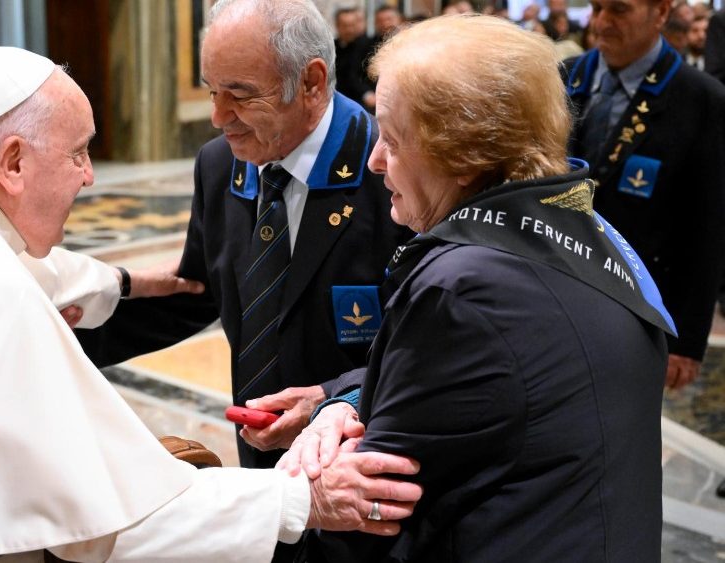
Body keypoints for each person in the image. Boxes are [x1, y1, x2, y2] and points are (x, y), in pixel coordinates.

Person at [0, 46, 425, 562]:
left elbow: (27, 263)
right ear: (14, 163)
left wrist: (124, 283)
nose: (92, 177)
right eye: (80, 154)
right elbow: (109, 523)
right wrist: (304, 499)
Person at [278, 14, 675, 561]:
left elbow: (374, 513)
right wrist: (341, 398)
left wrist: (294, 507)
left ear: (461, 155)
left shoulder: (459, 290)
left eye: (391, 139)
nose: (374, 161)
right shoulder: (588, 235)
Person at [77, 0, 414, 472]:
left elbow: (430, 347)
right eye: (212, 90)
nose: (218, 116)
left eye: (239, 94)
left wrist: (333, 398)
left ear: (312, 83)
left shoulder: (390, 171)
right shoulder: (220, 165)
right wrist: (65, 329)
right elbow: (201, 291)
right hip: (259, 453)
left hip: (365, 455)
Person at [565, 0, 725, 389]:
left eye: (618, 10)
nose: (602, 22)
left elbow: (708, 227)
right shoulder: (562, 79)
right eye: (597, 8)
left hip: (640, 306)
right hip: (556, 293)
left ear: (661, 12)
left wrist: (687, 340)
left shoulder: (701, 98)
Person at [333, 7, 375, 110]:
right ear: (337, 26)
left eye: (352, 25)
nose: (349, 30)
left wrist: (366, 93)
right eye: (345, 26)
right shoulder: (331, 47)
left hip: (362, 102)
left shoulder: (369, 45)